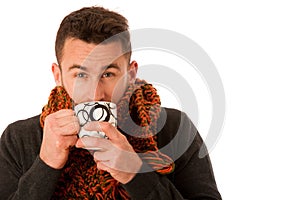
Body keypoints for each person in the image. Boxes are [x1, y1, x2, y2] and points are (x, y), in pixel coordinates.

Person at [0, 6, 222, 200]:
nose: (95, 94)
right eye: (80, 75)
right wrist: (45, 164)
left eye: (108, 74)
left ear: (131, 73)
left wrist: (135, 173)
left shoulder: (174, 128)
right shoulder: (20, 138)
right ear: (57, 75)